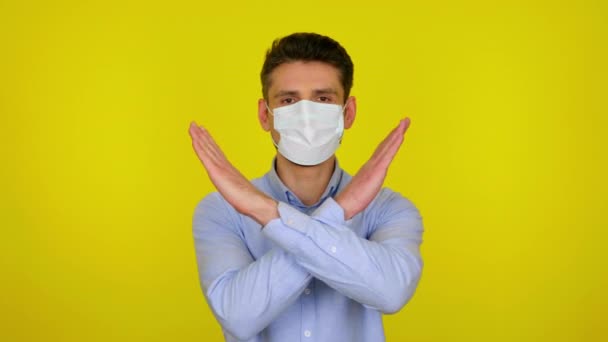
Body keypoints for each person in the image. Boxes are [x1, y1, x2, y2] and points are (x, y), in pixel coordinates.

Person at [189, 32, 424, 342]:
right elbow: (238, 317)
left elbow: (391, 293)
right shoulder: (221, 210)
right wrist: (339, 213)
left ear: (348, 112)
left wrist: (267, 214)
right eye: (288, 100)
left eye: (323, 99)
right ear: (264, 114)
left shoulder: (389, 209)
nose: (306, 115)